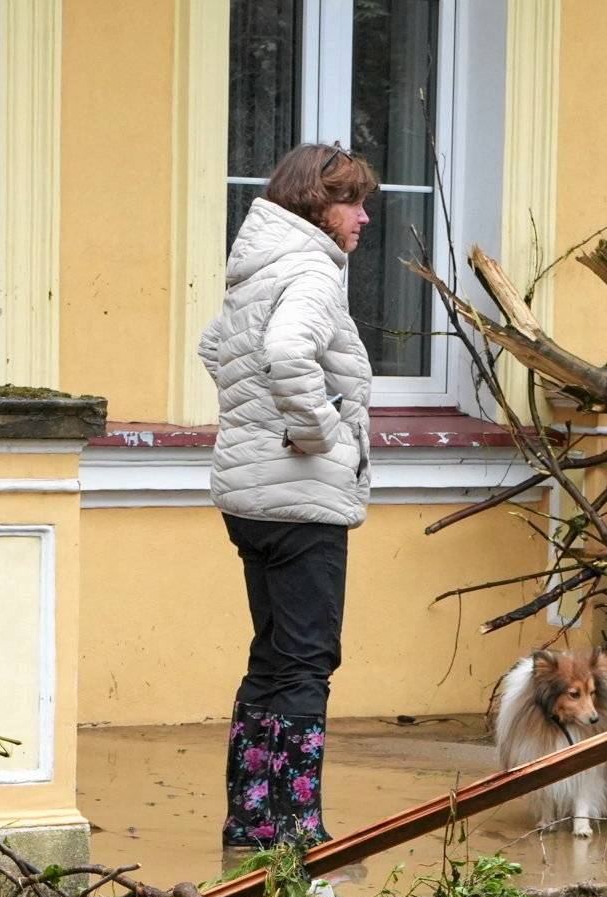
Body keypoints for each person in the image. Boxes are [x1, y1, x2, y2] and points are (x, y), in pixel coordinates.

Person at [199, 142, 378, 852]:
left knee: (272, 656)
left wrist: (256, 423)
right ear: (316, 205)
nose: (363, 218)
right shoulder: (310, 270)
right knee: (307, 660)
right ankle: (300, 830)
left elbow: (216, 350)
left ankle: (249, 818)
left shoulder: (258, 268)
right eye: (353, 202)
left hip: (250, 500)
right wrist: (317, 433)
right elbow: (286, 352)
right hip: (302, 502)